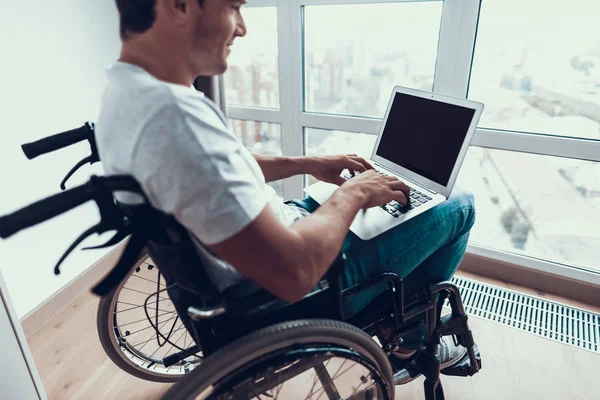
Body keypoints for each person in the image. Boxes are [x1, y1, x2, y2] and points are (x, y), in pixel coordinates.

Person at [96, 0, 476, 375]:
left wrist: (308, 163)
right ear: (178, 6)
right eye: (233, 6)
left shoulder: (131, 93)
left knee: (395, 209)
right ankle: (410, 342)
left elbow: (221, 169)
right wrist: (354, 193)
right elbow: (294, 273)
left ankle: (407, 318)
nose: (241, 27)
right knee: (459, 205)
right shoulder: (177, 121)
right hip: (296, 291)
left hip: (269, 243)